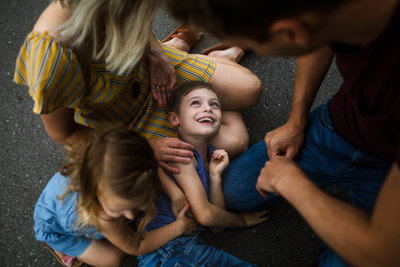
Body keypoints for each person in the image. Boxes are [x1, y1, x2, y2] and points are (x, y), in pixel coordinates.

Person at [166, 0, 400, 266]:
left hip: (386, 166)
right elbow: (320, 39)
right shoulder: (332, 16)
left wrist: (292, 183)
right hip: (338, 127)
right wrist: (296, 121)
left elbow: (385, 253)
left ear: (291, 33)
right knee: (234, 192)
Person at [13, 0, 262, 174]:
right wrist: (145, 148)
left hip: (150, 70)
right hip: (122, 122)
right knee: (235, 141)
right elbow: (64, 134)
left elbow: (139, 22)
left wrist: (155, 55)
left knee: (250, 89)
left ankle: (174, 48)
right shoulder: (52, 55)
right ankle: (211, 57)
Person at [137, 81, 268, 266]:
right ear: (175, 119)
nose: (207, 108)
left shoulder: (209, 158)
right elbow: (205, 215)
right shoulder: (180, 155)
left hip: (178, 251)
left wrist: (215, 177)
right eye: (195, 103)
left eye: (214, 104)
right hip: (167, 251)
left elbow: (216, 226)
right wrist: (242, 220)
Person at [33, 128, 197, 267]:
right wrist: (180, 227)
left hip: (62, 204)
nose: (131, 215)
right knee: (114, 259)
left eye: (136, 205)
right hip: (56, 230)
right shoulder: (100, 213)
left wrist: (175, 193)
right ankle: (61, 248)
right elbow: (137, 245)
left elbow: (150, 166)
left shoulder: (122, 167)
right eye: (120, 210)